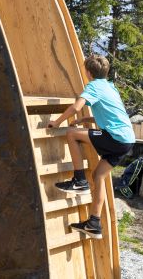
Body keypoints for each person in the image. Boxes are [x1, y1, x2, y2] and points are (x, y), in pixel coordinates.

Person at [46, 55, 135, 239]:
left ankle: (79, 180)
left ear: (87, 72)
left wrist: (57, 122)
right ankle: (94, 223)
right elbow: (112, 114)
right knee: (99, 175)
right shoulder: (110, 87)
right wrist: (87, 120)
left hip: (115, 137)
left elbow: (76, 107)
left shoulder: (93, 86)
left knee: (71, 133)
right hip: (127, 141)